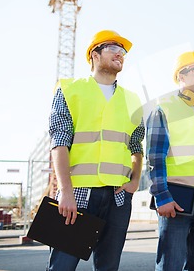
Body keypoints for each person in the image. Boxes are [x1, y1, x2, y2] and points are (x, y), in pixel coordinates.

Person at [47, 30, 145, 270]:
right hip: (78, 193)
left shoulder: (132, 99)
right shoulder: (70, 90)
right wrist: (65, 191)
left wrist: (135, 180)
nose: (120, 54)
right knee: (62, 267)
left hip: (118, 197)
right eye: (113, 48)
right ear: (94, 54)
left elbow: (136, 145)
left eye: (123, 51)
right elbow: (59, 141)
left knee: (108, 268)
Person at [146, 51, 194, 271]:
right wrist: (161, 197)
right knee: (170, 265)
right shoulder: (165, 108)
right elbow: (154, 156)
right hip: (176, 201)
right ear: (181, 76)